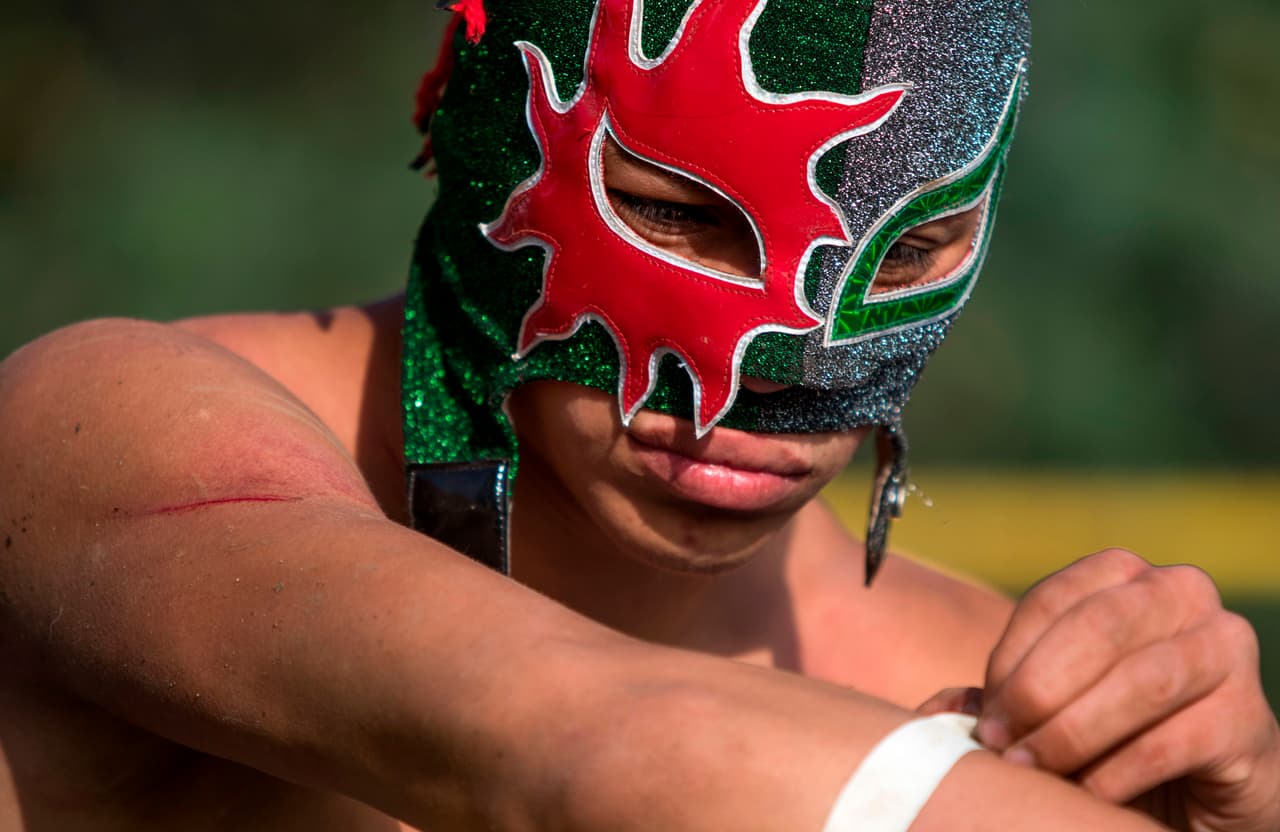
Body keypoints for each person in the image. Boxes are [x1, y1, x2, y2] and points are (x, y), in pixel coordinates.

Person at [0, 0, 1276, 830]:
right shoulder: (110, 439)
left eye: (900, 256)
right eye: (670, 214)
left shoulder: (995, 701)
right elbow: (579, 741)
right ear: (488, 124)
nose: (775, 371)